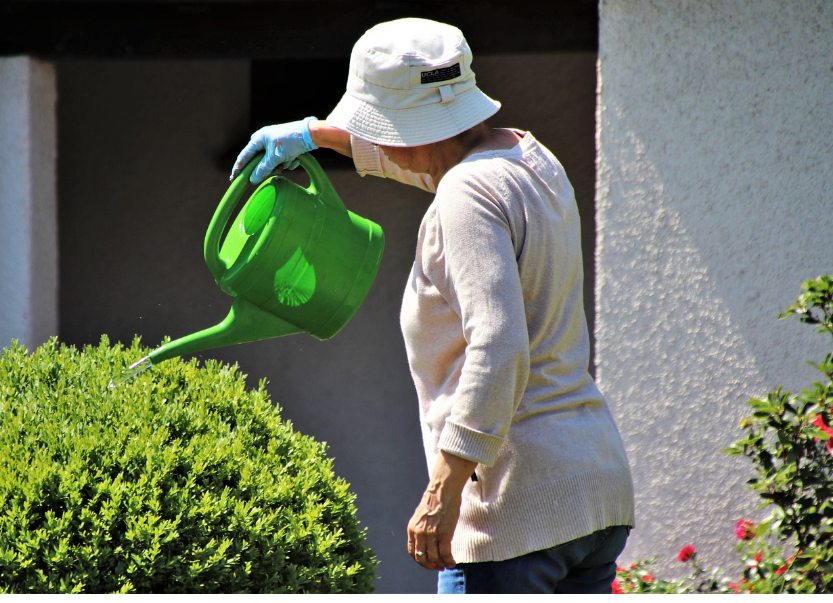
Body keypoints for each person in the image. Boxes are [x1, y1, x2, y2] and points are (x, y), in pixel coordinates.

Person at [230, 17, 634, 594]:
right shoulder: (528, 158)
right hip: (591, 488)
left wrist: (444, 493)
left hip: (514, 509)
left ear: (404, 127)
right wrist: (319, 135)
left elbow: (498, 346)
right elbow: (438, 163)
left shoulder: (464, 196)